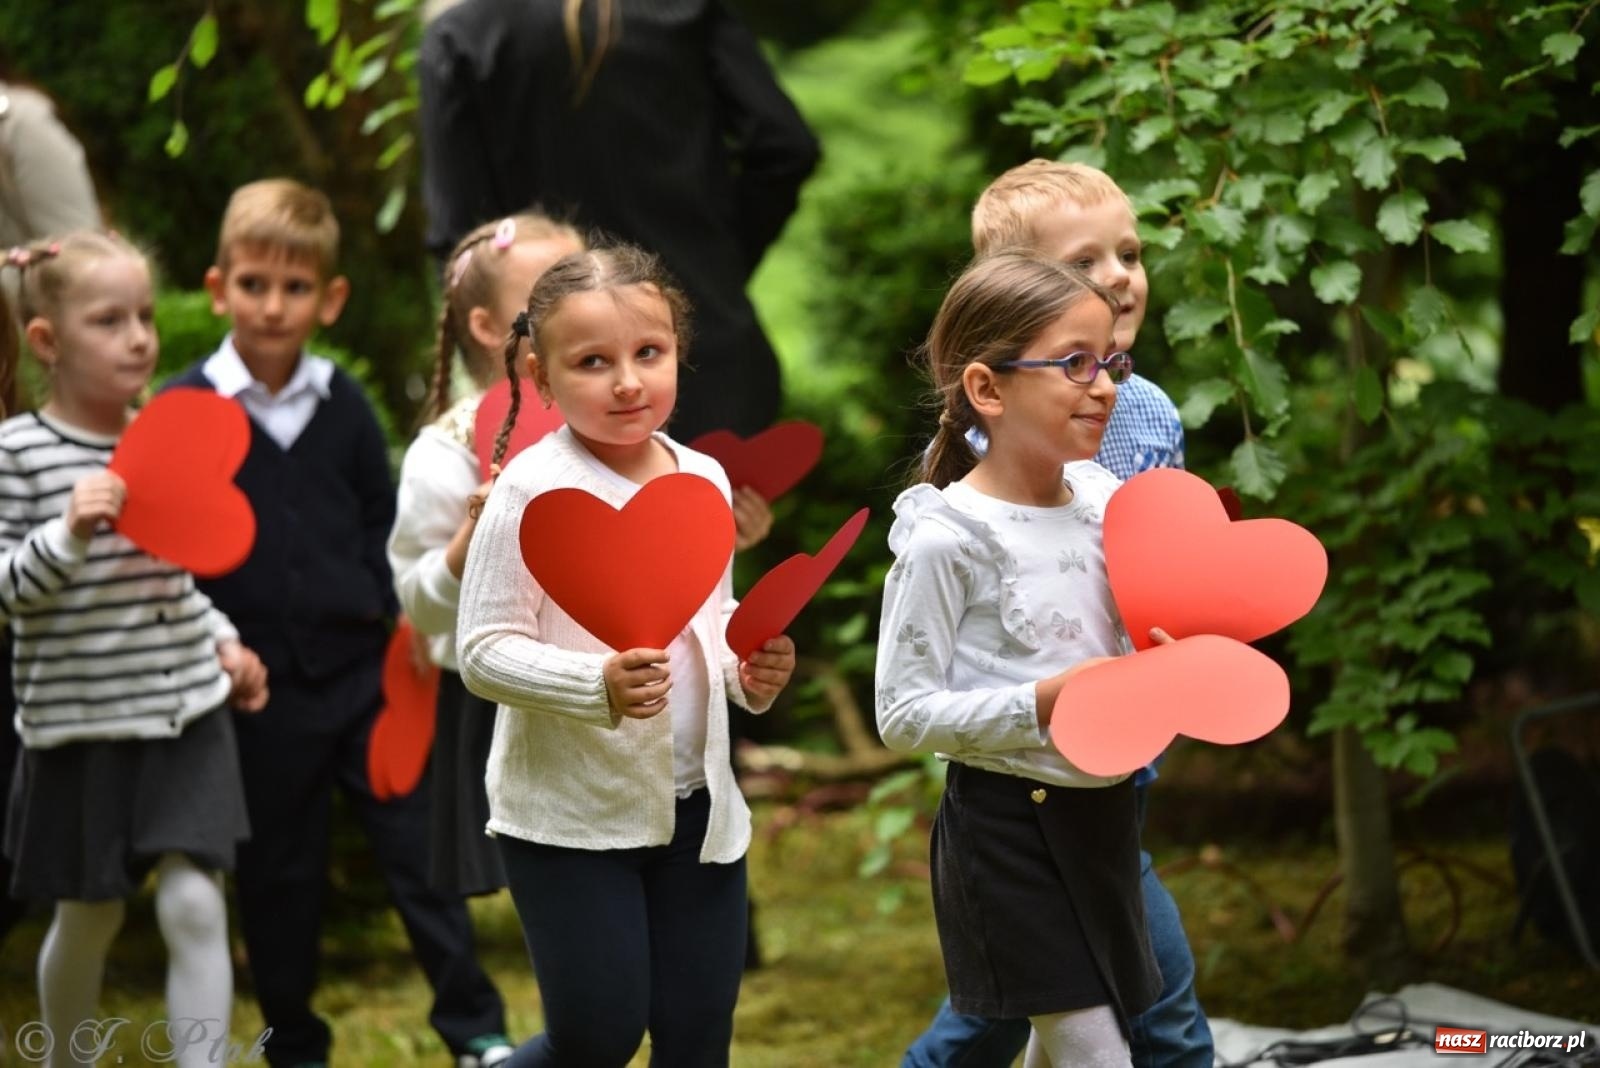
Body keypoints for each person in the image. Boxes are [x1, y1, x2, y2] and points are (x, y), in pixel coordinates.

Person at [167, 179, 511, 1068]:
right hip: (258, 692)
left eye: (295, 288)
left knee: (417, 854)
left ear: (330, 298)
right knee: (279, 869)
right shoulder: (187, 407)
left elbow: (378, 530)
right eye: (254, 285)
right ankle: (293, 1040)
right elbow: (171, 551)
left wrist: (406, 628)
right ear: (219, 289)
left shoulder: (343, 404)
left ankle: (474, 1029)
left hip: (366, 677)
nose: (272, 306)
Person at [455, 243, 798, 1067]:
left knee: (696, 1037)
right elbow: (482, 650)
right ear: (540, 375)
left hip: (699, 816)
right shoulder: (529, 491)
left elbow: (707, 620)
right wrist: (593, 683)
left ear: (679, 351)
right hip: (571, 821)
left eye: (649, 352)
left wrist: (747, 671)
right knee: (597, 1038)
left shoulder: (703, 478)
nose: (627, 382)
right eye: (592, 362)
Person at [903, 159, 1212, 1068]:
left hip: (1119, 765)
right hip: (1027, 779)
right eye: (1084, 261)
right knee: (1138, 1015)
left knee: (1011, 1010)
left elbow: (1156, 574)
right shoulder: (992, 441)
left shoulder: (1146, 411)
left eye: (1130, 253)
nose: (1119, 276)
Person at [0, 230, 269, 1068]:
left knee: (195, 906)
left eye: (145, 317)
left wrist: (226, 644)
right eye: (110, 320)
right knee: (89, 916)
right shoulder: (16, 454)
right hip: (79, 729)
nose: (140, 338)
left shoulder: (160, 436)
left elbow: (172, 583)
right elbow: (8, 590)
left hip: (184, 715)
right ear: (47, 342)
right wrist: (69, 533)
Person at [417, 0, 819, 442]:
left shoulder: (462, 38)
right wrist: (716, 268)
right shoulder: (681, 10)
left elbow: (459, 243)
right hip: (706, 364)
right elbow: (786, 147)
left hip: (559, 393)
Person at [389, 210, 584, 900]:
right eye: (549, 295)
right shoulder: (445, 452)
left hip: (599, 682)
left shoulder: (607, 422)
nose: (579, 305)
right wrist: (469, 543)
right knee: (549, 880)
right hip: (497, 696)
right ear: (485, 325)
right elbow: (419, 603)